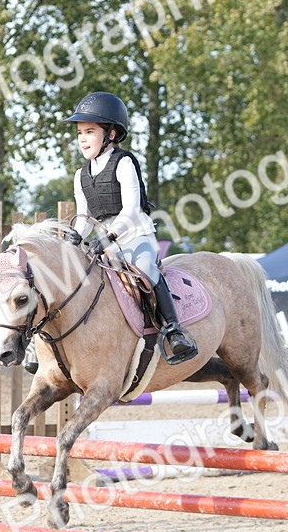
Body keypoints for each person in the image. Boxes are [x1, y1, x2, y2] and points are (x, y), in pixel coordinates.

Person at [63, 91, 198, 365]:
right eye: (80, 133)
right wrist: (76, 235)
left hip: (134, 236)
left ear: (111, 134)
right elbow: (82, 214)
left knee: (147, 272)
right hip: (103, 241)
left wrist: (110, 235)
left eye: (90, 131)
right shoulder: (81, 175)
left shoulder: (124, 163)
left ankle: (174, 330)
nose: (82, 139)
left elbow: (132, 210)